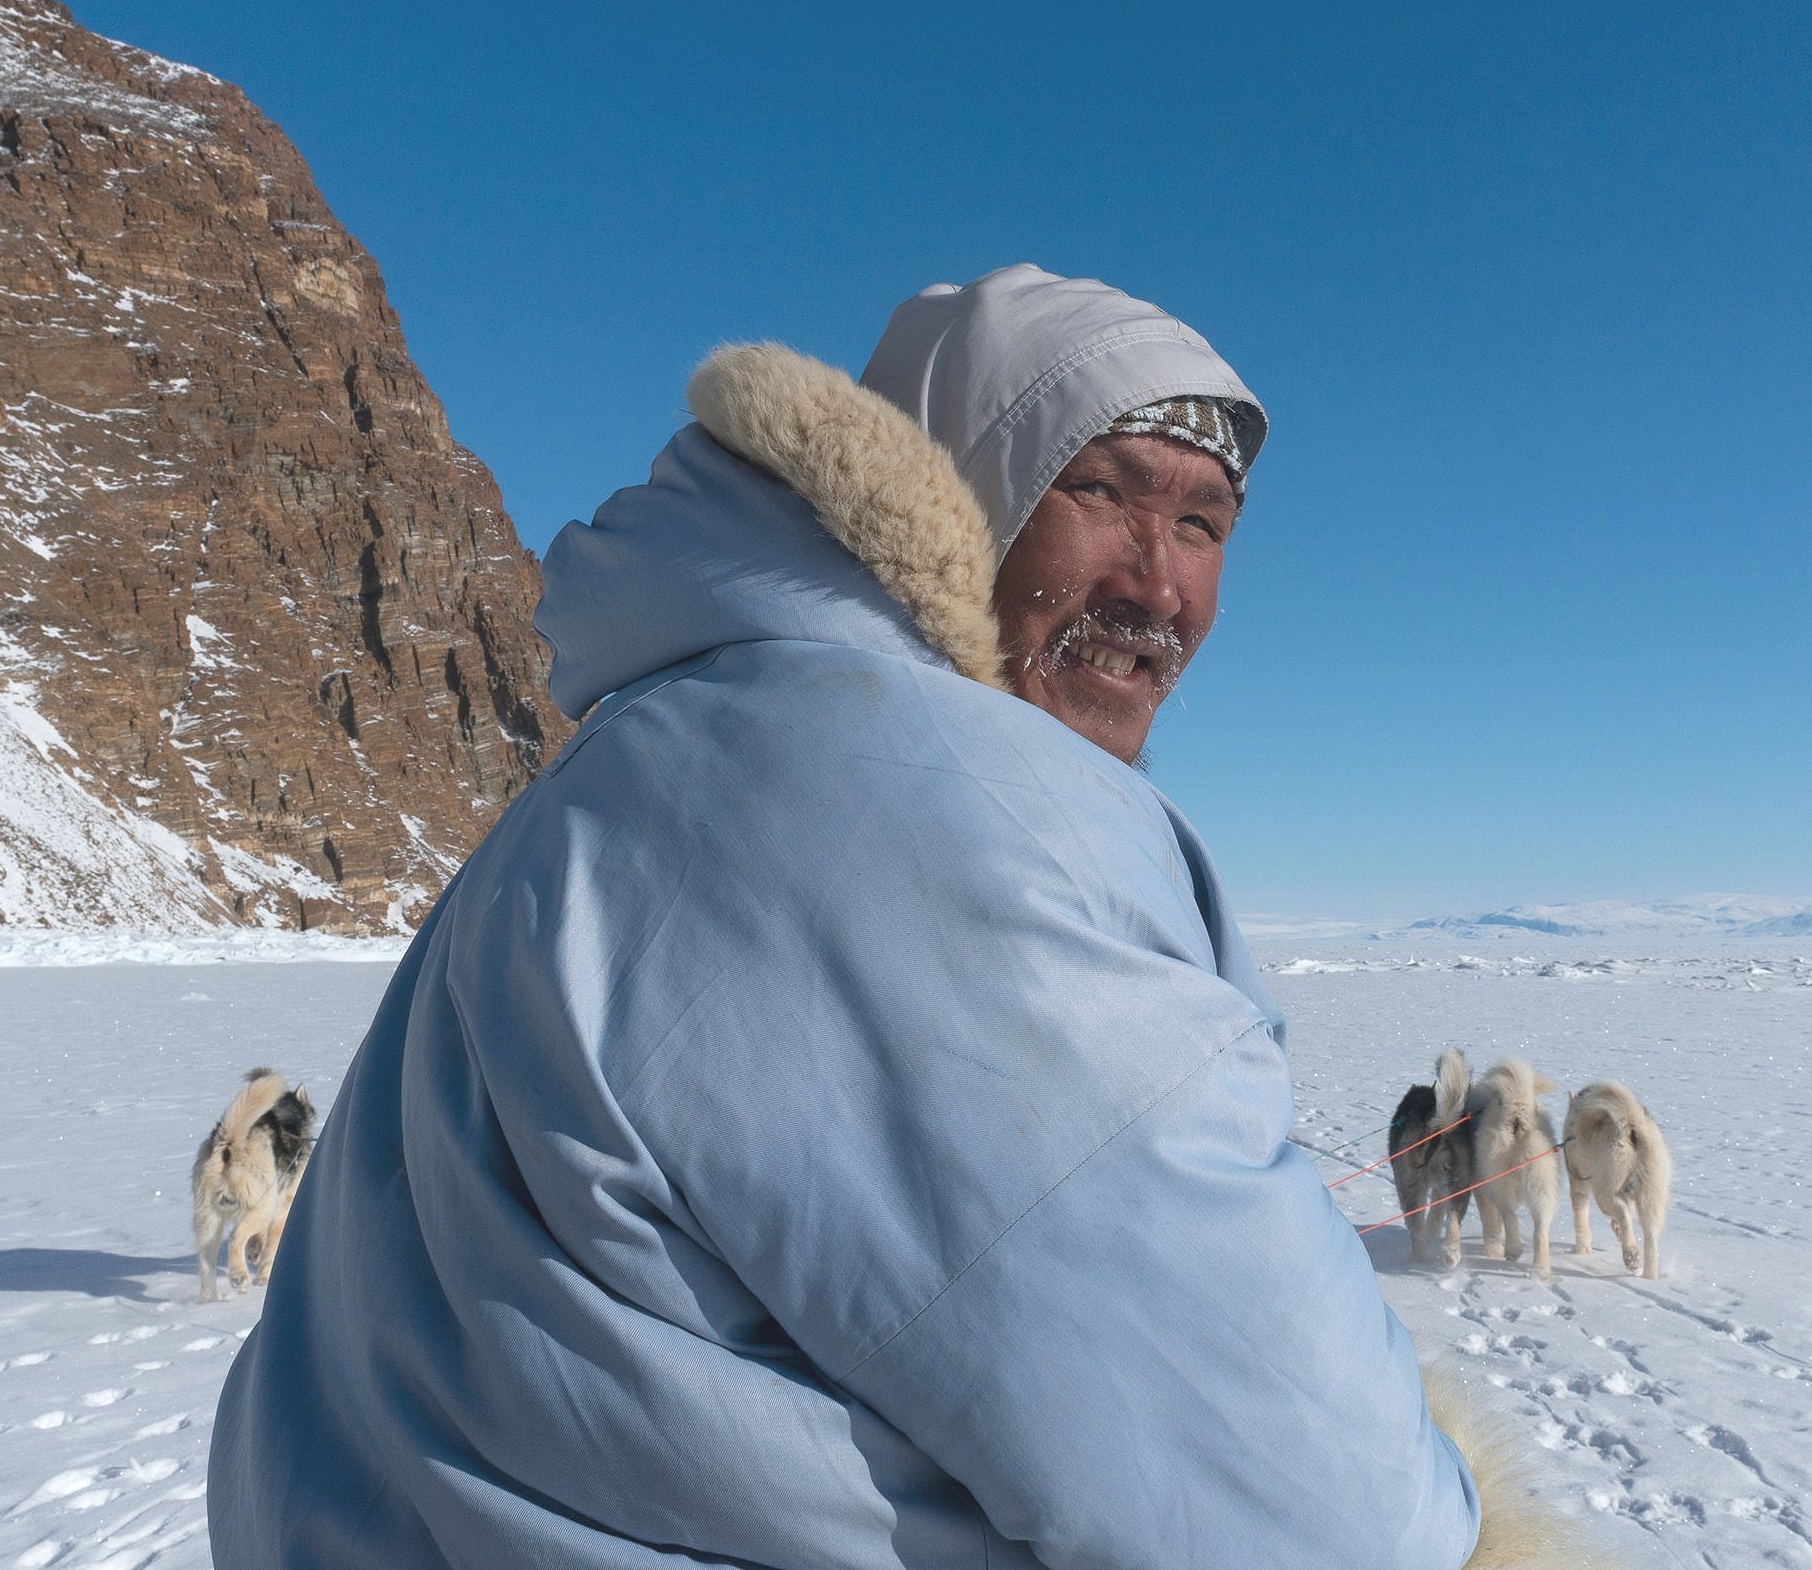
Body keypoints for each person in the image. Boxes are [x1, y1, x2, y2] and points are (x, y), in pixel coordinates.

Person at [209, 265, 1594, 1568]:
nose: (1157, 584)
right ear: (963, 491)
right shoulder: (928, 810)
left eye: (1203, 525)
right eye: (1102, 494)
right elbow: (1320, 1513)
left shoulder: (654, 752)